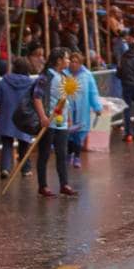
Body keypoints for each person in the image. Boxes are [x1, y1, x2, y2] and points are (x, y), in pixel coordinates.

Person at [36, 47, 99, 197]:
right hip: (48, 121)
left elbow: (66, 100)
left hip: (61, 122)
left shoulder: (64, 75)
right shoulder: (46, 76)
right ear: (59, 60)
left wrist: (69, 117)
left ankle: (64, 184)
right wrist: (43, 117)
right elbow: (37, 97)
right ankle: (43, 185)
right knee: (44, 154)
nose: (69, 61)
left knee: (62, 154)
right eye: (66, 58)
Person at [0, 56, 43, 178]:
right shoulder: (31, 83)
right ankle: (25, 169)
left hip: (6, 117)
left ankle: (5, 168)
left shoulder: (4, 81)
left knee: (7, 144)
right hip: (24, 117)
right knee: (24, 144)